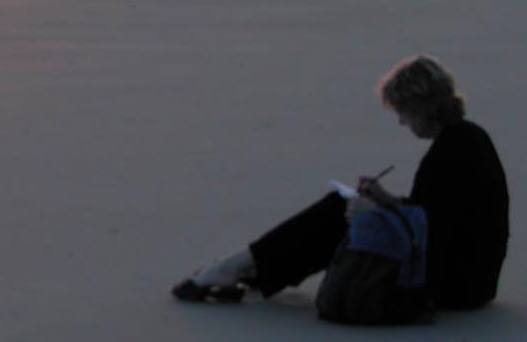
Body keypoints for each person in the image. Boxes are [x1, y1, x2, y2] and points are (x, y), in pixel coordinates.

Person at [173, 55, 509, 310]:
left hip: (457, 286)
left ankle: (236, 268)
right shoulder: (466, 139)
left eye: (403, 113)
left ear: (419, 107)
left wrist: (375, 210)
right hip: (469, 279)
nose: (402, 123)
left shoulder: (454, 150)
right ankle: (251, 271)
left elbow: (436, 230)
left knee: (339, 213)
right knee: (348, 210)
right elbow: (440, 215)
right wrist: (386, 201)